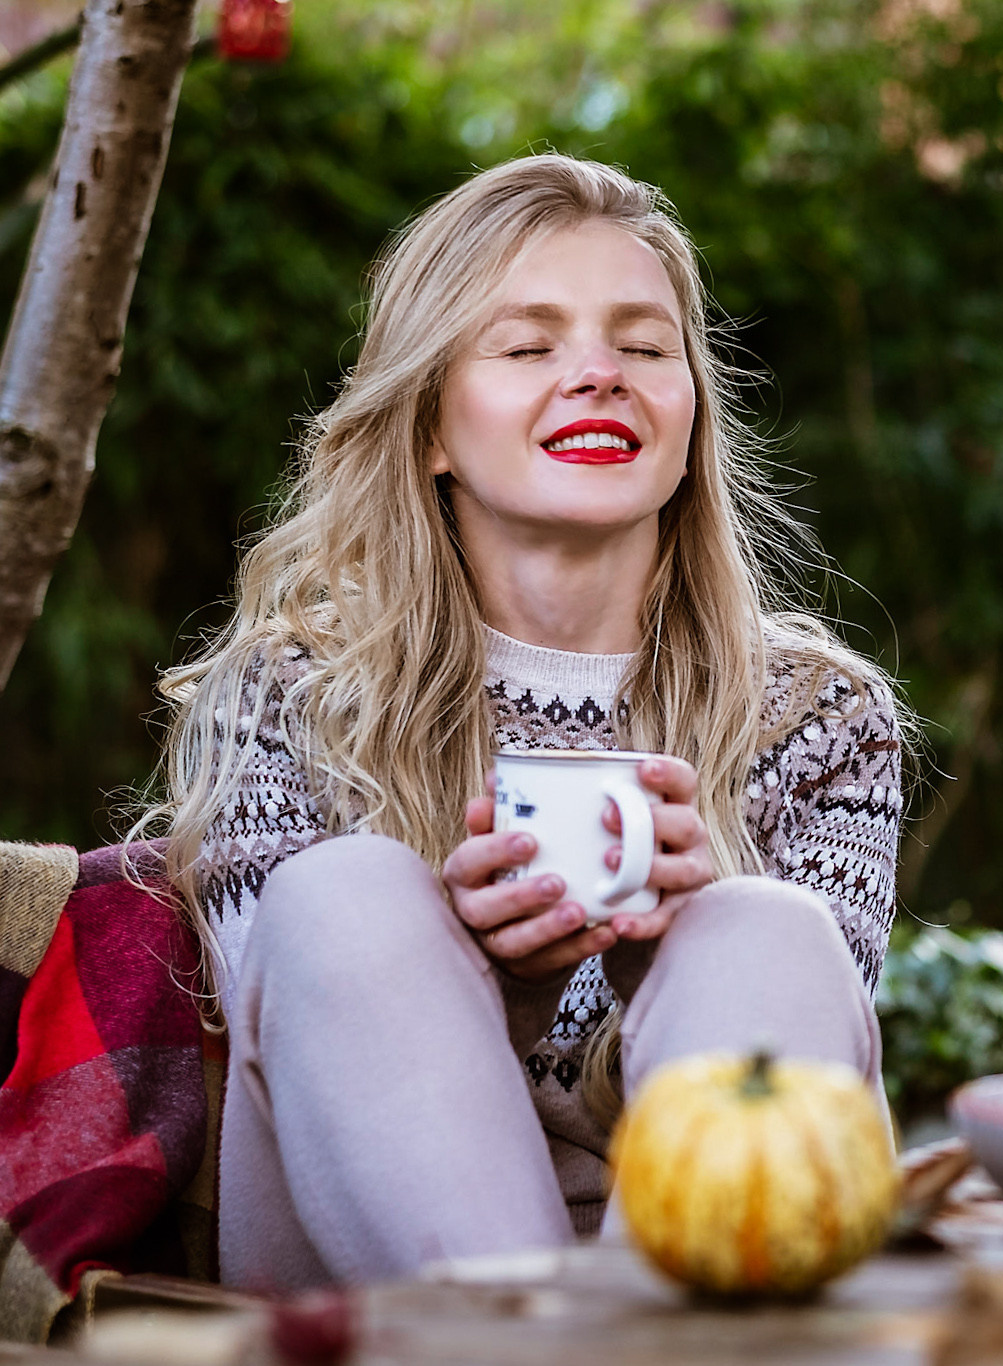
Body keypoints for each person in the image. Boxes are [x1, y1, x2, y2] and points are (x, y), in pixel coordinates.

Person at [142, 154, 905, 1289]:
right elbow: (304, 1065)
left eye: (644, 347)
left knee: (760, 929)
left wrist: (660, 957)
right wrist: (496, 981)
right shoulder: (292, 693)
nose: (599, 375)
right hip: (374, 1292)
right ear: (431, 426)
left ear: (691, 414)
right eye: (528, 346)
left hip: (687, 1282)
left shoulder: (818, 717)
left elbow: (797, 1113)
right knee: (345, 897)